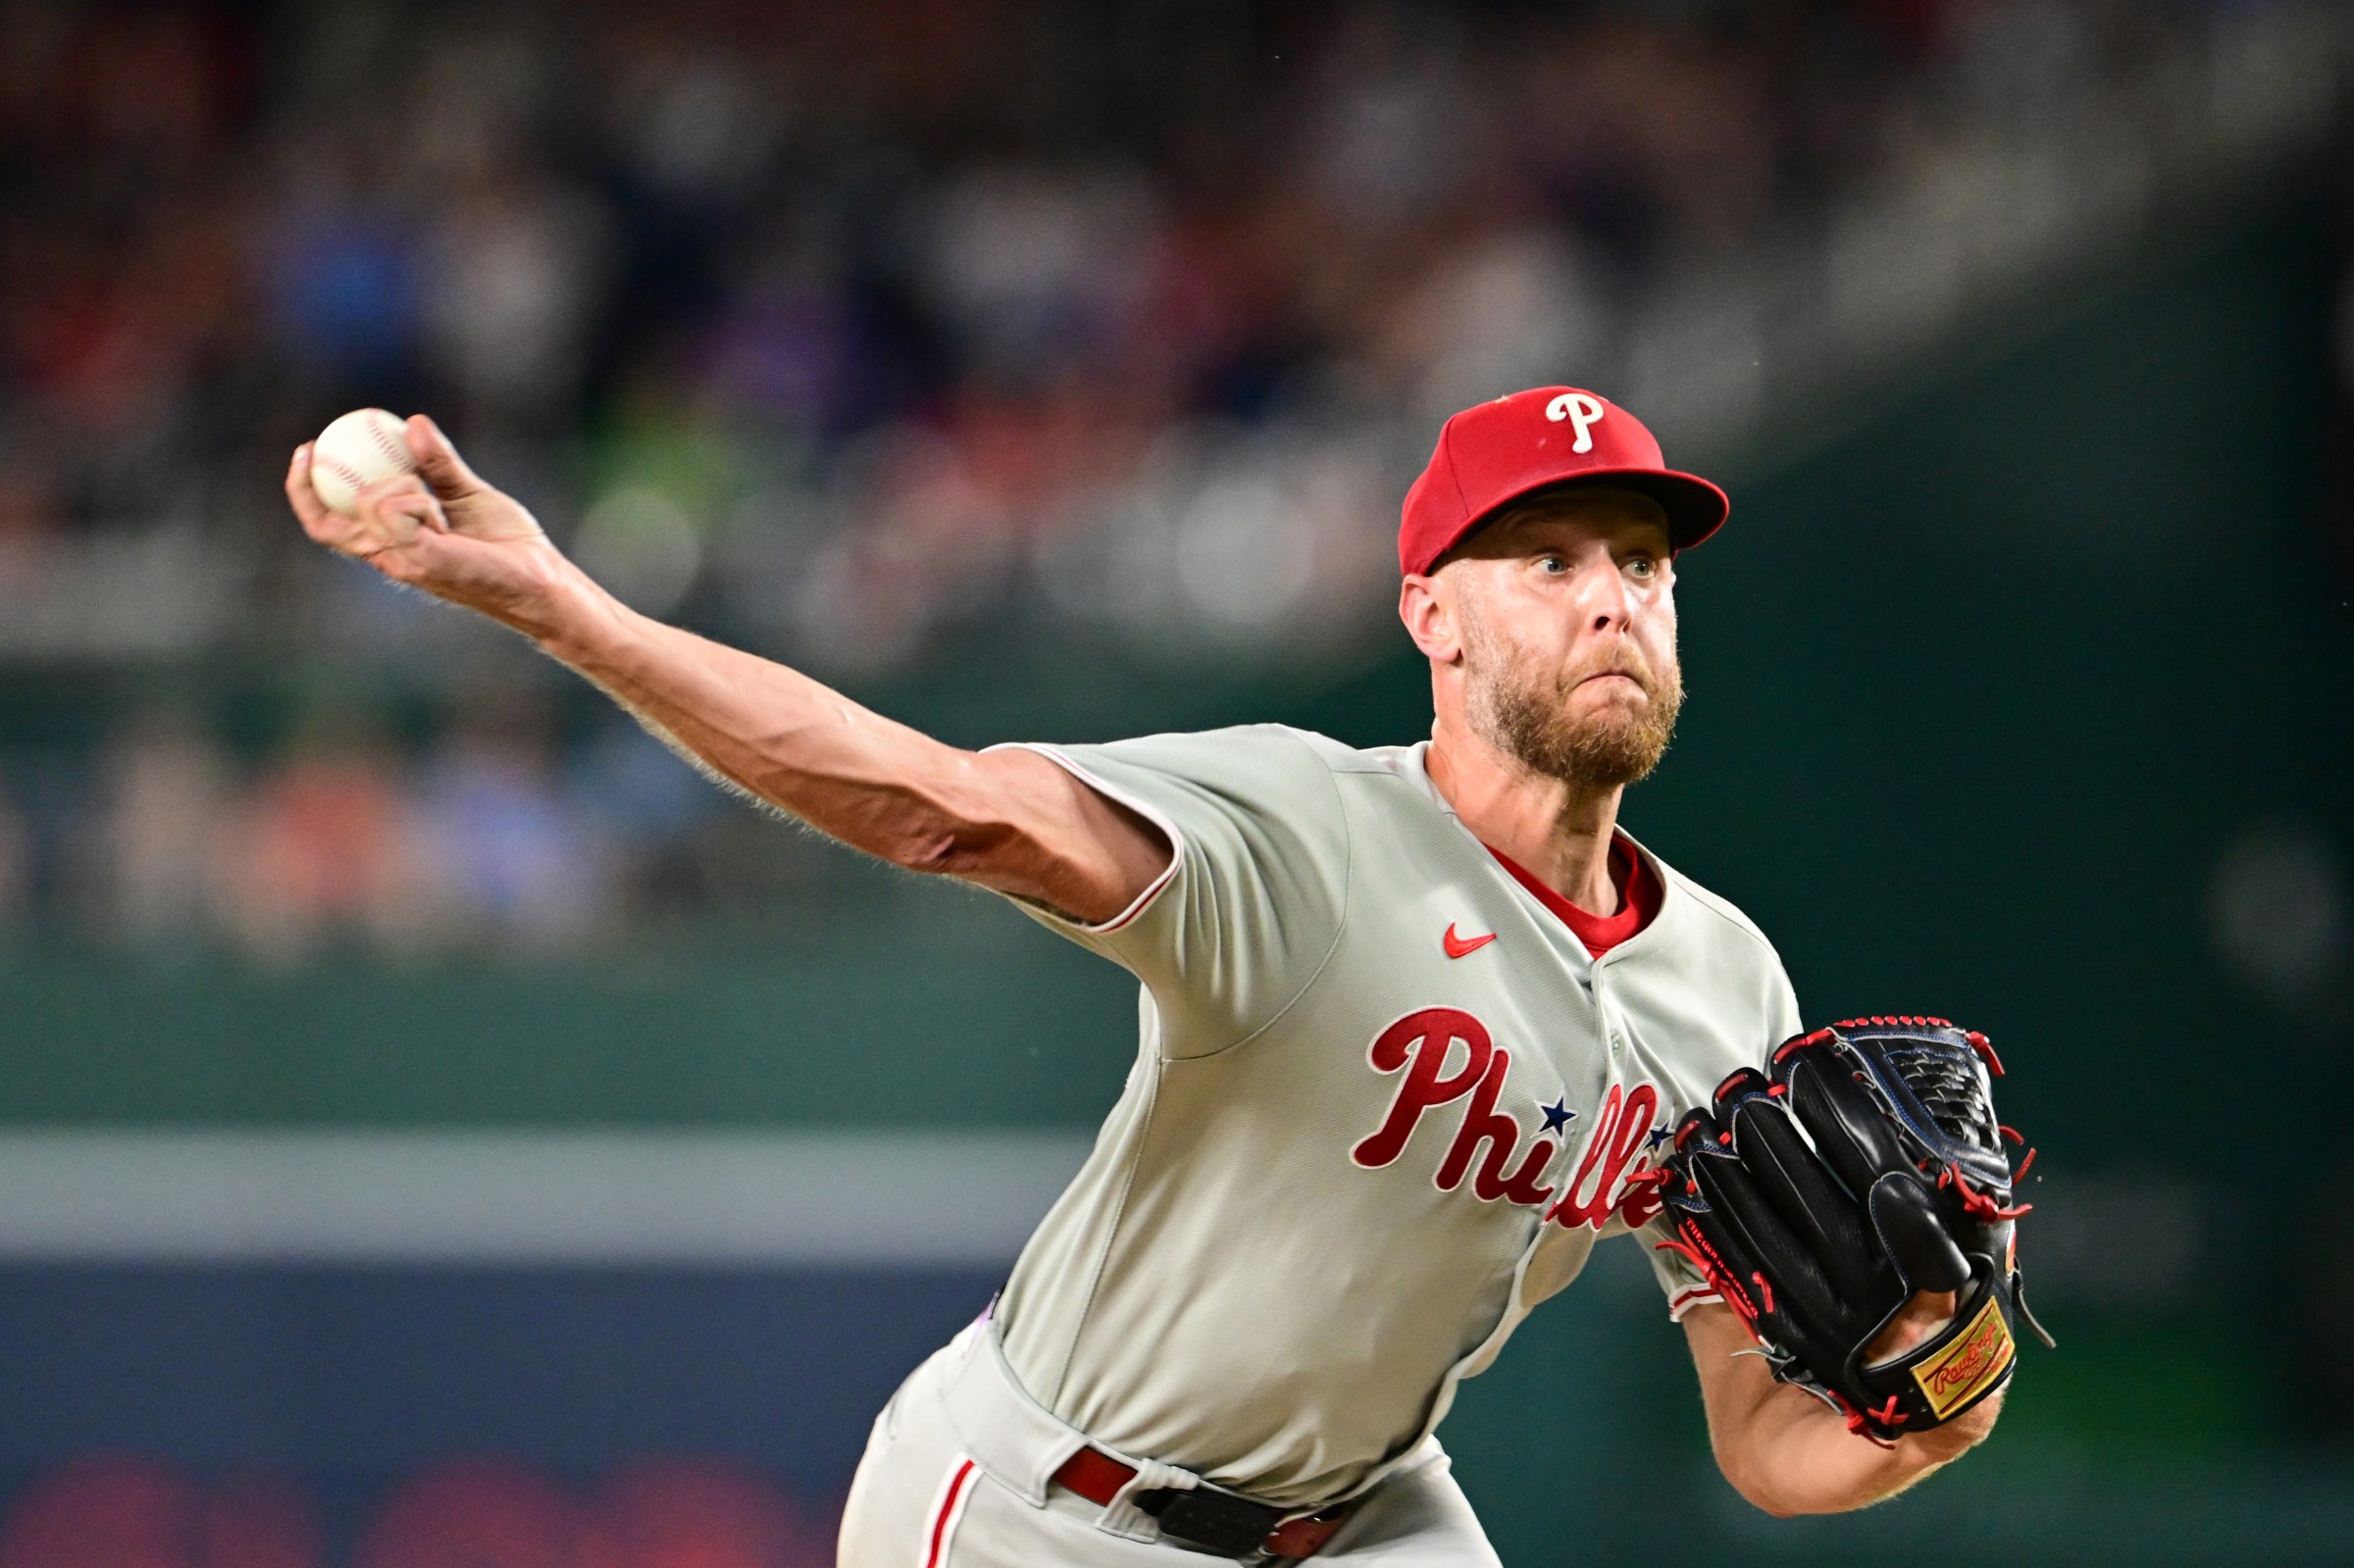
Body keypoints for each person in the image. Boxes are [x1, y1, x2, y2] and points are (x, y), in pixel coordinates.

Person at [284, 386, 1998, 1565]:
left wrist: (1936, 1400)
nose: (1610, 601)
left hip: (1365, 1512)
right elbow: (939, 806)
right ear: (1434, 618)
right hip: (1052, 1512)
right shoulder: (1297, 832)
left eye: (1643, 563)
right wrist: (570, 609)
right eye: (1546, 560)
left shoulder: (1722, 984)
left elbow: (1761, 1442)